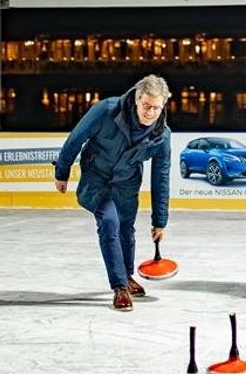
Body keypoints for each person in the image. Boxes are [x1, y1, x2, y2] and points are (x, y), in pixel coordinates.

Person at [53, 75, 172, 312]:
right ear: (137, 99)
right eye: (147, 106)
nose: (150, 113)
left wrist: (160, 221)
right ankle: (119, 287)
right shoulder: (107, 110)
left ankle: (127, 275)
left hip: (127, 183)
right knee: (109, 222)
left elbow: (161, 177)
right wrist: (62, 171)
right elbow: (76, 138)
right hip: (97, 178)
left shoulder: (162, 136)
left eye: (156, 108)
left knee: (126, 228)